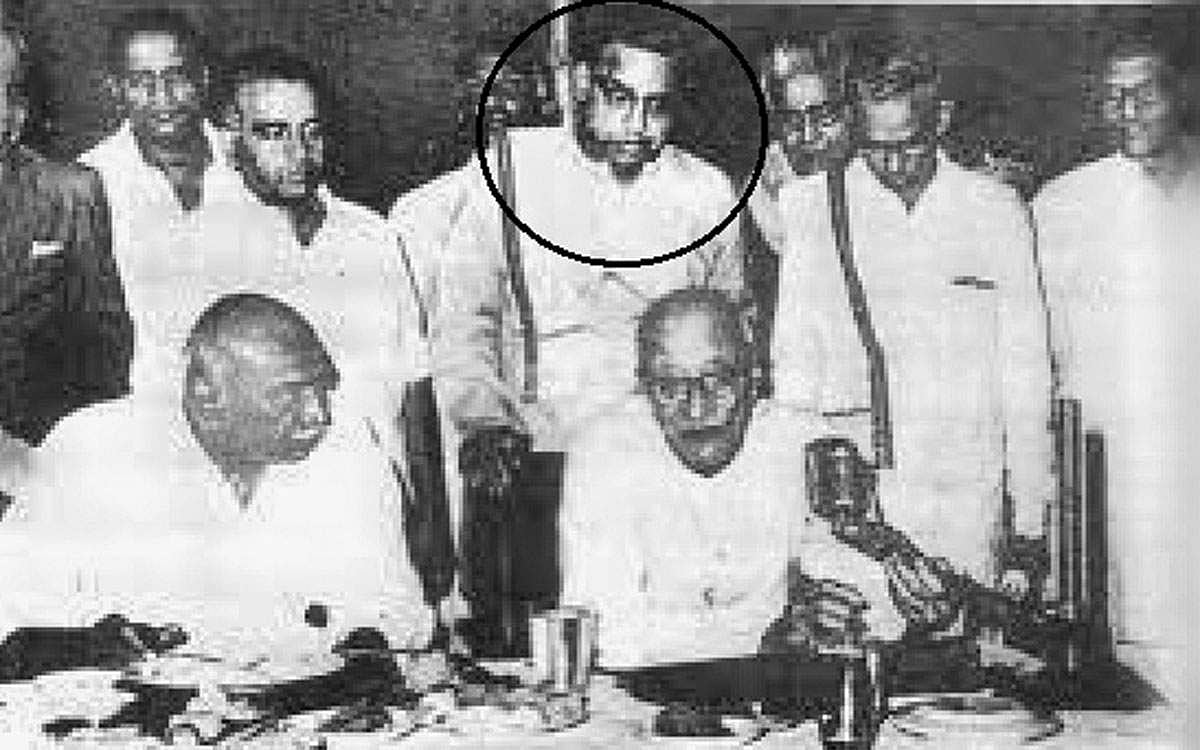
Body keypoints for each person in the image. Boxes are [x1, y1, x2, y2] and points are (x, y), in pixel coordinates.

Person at [758, 35, 1054, 599]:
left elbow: (1026, 375)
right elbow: (793, 372)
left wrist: (1030, 522)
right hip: (856, 506)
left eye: (911, 145)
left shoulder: (994, 210)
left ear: (941, 119)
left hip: (967, 501)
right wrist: (794, 515)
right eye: (875, 147)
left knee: (963, 644)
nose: (893, 164)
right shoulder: (812, 208)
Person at [392, 5, 744, 466]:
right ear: (580, 82)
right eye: (619, 99)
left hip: (664, 446)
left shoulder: (705, 190)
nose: (638, 126)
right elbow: (464, 323)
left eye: (656, 107)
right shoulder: (511, 169)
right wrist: (484, 423)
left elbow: (730, 333)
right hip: (539, 443)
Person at [2, 293, 432, 650]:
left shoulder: (351, 451)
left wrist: (362, 644)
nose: (318, 414)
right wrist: (93, 645)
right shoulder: (93, 448)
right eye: (288, 394)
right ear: (206, 396)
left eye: (323, 388)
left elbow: (401, 611)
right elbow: (13, 617)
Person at [559, 288, 911, 668]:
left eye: (717, 379)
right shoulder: (605, 450)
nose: (696, 408)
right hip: (646, 694)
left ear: (753, 377)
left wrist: (827, 618)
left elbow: (872, 610)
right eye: (669, 386)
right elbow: (606, 636)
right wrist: (771, 635)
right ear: (643, 388)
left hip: (780, 696)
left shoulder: (809, 446)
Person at [1032, 35, 1198, 699]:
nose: (1125, 112)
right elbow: (1038, 358)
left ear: (1183, 92)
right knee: (1132, 668)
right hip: (1107, 486)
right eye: (1112, 97)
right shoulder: (1063, 207)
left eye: (1144, 94)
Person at [0, 14, 132, 494]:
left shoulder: (71, 194)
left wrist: (67, 461)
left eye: (7, 91)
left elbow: (103, 352)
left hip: (36, 469)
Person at [79, 7, 245, 275]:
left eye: (176, 77)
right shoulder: (89, 181)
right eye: (141, 81)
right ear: (116, 90)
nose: (162, 97)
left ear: (202, 79)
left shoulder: (250, 156)